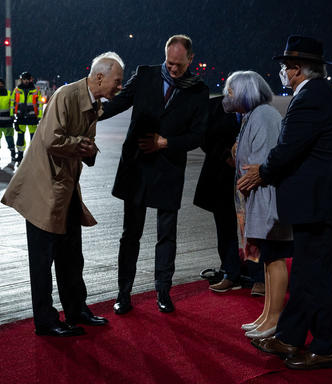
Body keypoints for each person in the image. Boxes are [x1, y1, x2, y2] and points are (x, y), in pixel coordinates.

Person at [237, 35, 332, 369]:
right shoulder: (320, 96)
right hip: (318, 204)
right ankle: (290, 337)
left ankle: (325, 346)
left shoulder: (310, 99)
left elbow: (290, 149)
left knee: (315, 279)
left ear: (299, 70)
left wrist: (263, 171)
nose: (284, 73)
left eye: (287, 67)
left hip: (319, 206)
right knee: (307, 275)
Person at [1, 52, 125, 337]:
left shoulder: (94, 105)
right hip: (43, 190)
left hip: (65, 189)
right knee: (42, 261)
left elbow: (86, 148)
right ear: (99, 77)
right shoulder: (66, 96)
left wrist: (89, 150)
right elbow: (51, 138)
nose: (119, 88)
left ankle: (76, 309)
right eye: (117, 82)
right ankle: (45, 321)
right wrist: (83, 145)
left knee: (72, 255)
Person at [100, 35, 209, 314]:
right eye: (169, 63)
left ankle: (163, 291)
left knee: (166, 236)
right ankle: (123, 293)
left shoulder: (198, 91)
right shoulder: (146, 75)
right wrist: (87, 111)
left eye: (179, 65)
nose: (172, 69)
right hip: (136, 168)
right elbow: (119, 103)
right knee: (130, 234)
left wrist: (166, 142)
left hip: (168, 170)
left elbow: (198, 135)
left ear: (191, 60)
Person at [221, 70, 292, 339]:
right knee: (266, 258)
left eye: (231, 92)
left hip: (268, 199)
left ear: (245, 92)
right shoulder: (252, 116)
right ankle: (266, 315)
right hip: (258, 199)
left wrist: (247, 173)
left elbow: (260, 164)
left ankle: (274, 318)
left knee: (275, 258)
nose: (228, 98)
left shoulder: (263, 115)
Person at [193, 95, 242, 292]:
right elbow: (203, 137)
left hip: (249, 176)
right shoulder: (214, 106)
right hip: (220, 175)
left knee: (252, 229)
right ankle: (231, 273)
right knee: (225, 226)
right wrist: (225, 155)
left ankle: (258, 277)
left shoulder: (257, 110)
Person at [10, 72, 43, 164]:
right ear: (21, 79)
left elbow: (39, 104)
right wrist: (12, 115)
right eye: (24, 79)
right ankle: (20, 155)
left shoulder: (36, 90)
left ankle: (33, 155)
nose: (26, 81)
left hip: (32, 117)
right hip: (20, 117)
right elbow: (13, 103)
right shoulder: (16, 90)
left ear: (30, 79)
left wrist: (39, 117)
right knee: (20, 138)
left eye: (27, 79)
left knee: (33, 138)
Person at [0, 78, 16, 161]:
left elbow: (12, 106)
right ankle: (13, 153)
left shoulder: (10, 94)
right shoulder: (9, 94)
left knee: (9, 139)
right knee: (9, 138)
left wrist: (12, 116)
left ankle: (13, 153)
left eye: (1, 84)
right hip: (7, 121)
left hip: (7, 121)